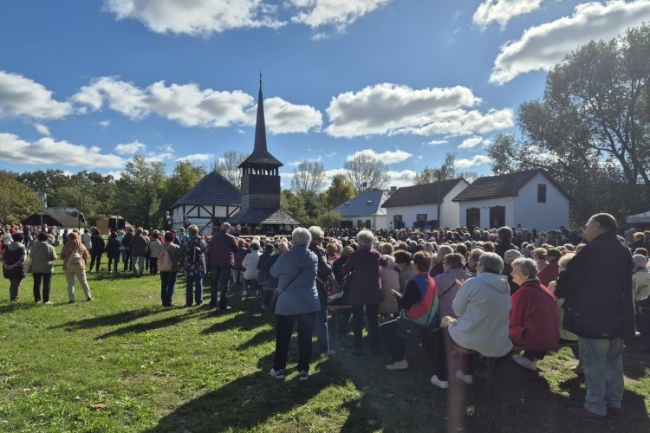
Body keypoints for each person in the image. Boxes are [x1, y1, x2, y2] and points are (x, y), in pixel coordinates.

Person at [555, 213, 635, 421]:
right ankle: (614, 402)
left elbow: (570, 277)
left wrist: (562, 291)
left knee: (594, 361)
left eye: (587, 226)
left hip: (594, 314)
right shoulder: (622, 248)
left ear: (597, 226)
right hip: (617, 314)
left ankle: (595, 406)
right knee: (613, 360)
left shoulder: (593, 249)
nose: (585, 230)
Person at [447, 252, 512, 384]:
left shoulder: (472, 283)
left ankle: (461, 372)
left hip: (473, 336)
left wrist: (462, 290)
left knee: (446, 330)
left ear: (482, 266)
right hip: (498, 338)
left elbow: (457, 310)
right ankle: (477, 369)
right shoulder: (505, 286)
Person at [268, 227, 320, 381]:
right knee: (306, 336)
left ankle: (279, 368)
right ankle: (304, 369)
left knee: (283, 336)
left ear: (294, 240)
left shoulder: (285, 257)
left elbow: (273, 273)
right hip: (308, 301)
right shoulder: (314, 257)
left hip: (288, 302)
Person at [380, 251, 439, 370]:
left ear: (415, 266)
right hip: (430, 320)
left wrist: (397, 296)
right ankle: (401, 355)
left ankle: (399, 360)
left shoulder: (414, 282)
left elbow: (405, 305)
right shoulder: (432, 280)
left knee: (384, 328)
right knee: (395, 325)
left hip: (416, 321)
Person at [509, 257, 560, 371]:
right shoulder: (541, 287)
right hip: (551, 335)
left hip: (537, 338)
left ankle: (494, 362)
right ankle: (529, 358)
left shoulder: (524, 292)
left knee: (498, 330)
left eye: (515, 271)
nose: (511, 273)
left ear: (526, 274)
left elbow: (514, 321)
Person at [342, 229, 387, 356]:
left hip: (358, 290)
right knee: (373, 320)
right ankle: (375, 347)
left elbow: (344, 270)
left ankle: (358, 347)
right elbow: (385, 262)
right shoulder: (375, 253)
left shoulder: (356, 254)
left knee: (357, 320)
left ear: (359, 241)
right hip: (373, 289)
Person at [430, 253, 472, 388]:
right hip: (466, 321)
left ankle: (442, 377)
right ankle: (467, 372)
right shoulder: (471, 278)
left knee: (440, 345)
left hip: (446, 320)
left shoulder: (440, 278)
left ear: (448, 265)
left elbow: (433, 297)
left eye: (444, 263)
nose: (442, 265)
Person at [309, 226, 335, 357]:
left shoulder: (304, 250)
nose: (322, 241)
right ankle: (324, 349)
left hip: (305, 288)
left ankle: (307, 347)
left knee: (307, 318)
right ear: (316, 239)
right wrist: (330, 264)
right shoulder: (318, 251)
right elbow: (325, 270)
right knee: (321, 319)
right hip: (318, 288)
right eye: (321, 238)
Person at [207, 222, 238, 310]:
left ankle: (213, 302)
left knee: (214, 283)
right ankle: (223, 304)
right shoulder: (231, 238)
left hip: (215, 262)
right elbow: (236, 249)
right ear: (228, 229)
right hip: (226, 263)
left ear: (221, 228)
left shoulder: (214, 237)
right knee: (224, 284)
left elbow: (210, 249)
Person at [60, 231, 93, 303]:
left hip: (67, 266)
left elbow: (62, 257)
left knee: (70, 283)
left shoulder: (65, 246)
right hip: (80, 266)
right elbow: (86, 256)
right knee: (84, 282)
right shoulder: (81, 245)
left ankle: (71, 299)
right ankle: (88, 296)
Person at [181, 225, 207, 307]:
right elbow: (205, 250)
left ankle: (189, 302)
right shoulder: (200, 239)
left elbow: (182, 250)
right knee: (199, 282)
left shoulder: (186, 240)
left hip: (189, 264)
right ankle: (198, 300)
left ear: (189, 231)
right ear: (197, 231)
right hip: (198, 264)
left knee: (189, 283)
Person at [29, 232, 57, 304]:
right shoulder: (50, 247)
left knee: (36, 284)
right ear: (47, 238)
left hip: (36, 267)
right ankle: (46, 300)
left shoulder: (33, 246)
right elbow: (54, 257)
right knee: (46, 284)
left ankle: (37, 299)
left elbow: (31, 256)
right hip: (47, 267)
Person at [159, 231, 182, 307]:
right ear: (173, 238)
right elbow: (180, 258)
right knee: (171, 285)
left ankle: (163, 300)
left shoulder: (161, 246)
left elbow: (157, 255)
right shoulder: (176, 247)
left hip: (163, 267)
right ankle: (168, 301)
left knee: (164, 284)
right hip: (173, 268)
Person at [2, 232, 27, 302]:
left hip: (7, 268)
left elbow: (1, 257)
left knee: (12, 283)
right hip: (18, 269)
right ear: (22, 239)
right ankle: (14, 298)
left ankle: (12, 297)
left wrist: (6, 265)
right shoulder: (23, 248)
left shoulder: (6, 247)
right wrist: (13, 266)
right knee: (17, 284)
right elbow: (22, 259)